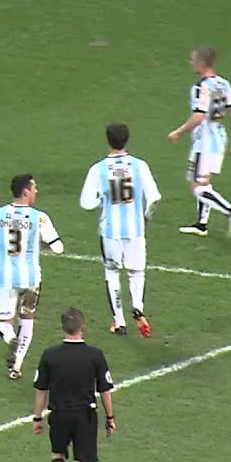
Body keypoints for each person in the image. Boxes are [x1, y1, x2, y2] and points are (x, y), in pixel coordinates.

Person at [0, 174, 64, 379]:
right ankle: (16, 366)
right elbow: (58, 248)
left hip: (6, 278)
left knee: (3, 322)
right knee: (27, 319)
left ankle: (10, 339)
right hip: (31, 279)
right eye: (34, 188)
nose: (36, 191)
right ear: (26, 191)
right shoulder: (40, 217)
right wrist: (38, 245)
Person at [79, 123, 161, 337]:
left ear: (108, 140)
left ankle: (119, 322)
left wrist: (102, 200)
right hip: (135, 229)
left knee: (112, 273)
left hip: (110, 231)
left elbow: (86, 203)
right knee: (136, 272)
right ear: (127, 139)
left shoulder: (98, 169)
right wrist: (146, 218)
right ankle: (137, 306)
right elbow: (155, 198)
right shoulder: (139, 165)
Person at [32, 308, 116, 462]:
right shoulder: (95, 355)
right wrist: (110, 417)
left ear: (63, 328)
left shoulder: (50, 355)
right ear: (83, 327)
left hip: (59, 415)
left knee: (57, 455)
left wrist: (37, 418)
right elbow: (105, 390)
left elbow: (41, 389)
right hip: (85, 416)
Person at [167, 46, 231, 238]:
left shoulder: (201, 87)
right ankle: (202, 224)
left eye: (193, 60)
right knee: (204, 182)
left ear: (202, 63)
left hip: (205, 142)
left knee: (197, 187)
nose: (190, 63)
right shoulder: (224, 84)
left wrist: (178, 132)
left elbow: (199, 116)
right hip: (219, 137)